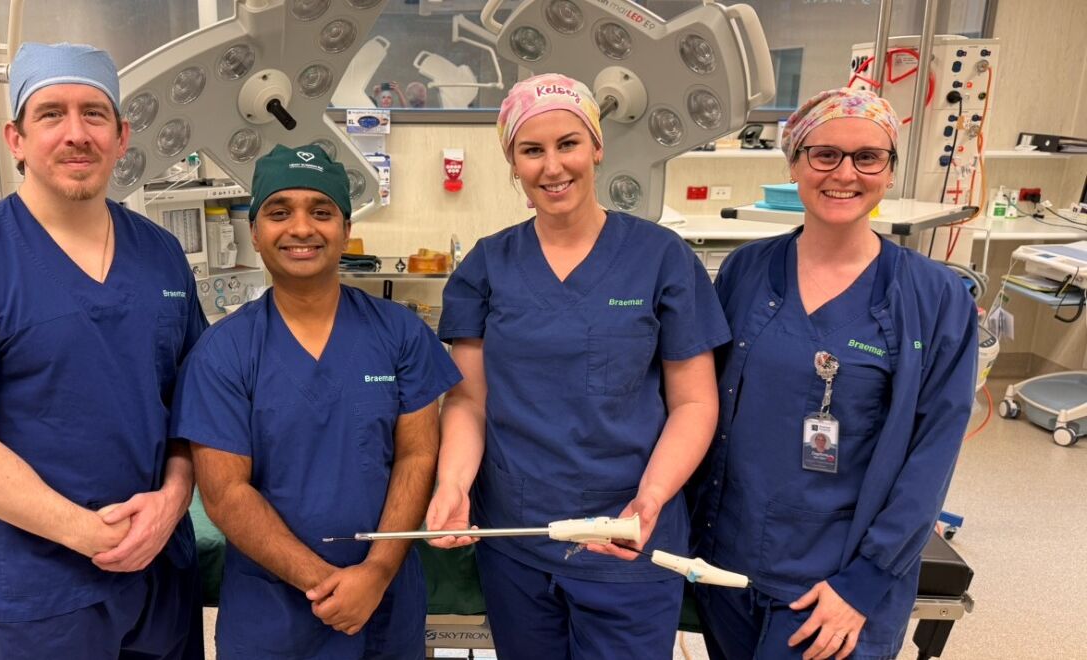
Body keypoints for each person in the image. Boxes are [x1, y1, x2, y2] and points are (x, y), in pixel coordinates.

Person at [0, 42, 206, 659]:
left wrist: (172, 500)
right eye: (51, 113)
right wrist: (88, 535)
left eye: (94, 113)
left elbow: (192, 403)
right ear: (16, 138)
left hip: (161, 567)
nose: (76, 134)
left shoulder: (161, 256)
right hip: (45, 584)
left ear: (121, 134)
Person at [425, 73, 730, 658]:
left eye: (567, 143)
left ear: (597, 146)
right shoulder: (488, 266)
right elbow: (468, 399)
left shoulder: (660, 258)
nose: (552, 166)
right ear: (513, 163)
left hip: (627, 533)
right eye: (531, 150)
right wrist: (454, 482)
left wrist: (652, 496)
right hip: (517, 535)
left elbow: (694, 401)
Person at [689, 87, 978, 660]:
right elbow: (700, 402)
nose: (844, 174)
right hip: (730, 564)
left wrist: (864, 584)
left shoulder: (935, 297)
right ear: (795, 162)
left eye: (867, 157)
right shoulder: (747, 271)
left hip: (839, 587)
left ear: (889, 172)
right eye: (824, 155)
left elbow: (933, 451)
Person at [171, 144, 461, 658]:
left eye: (321, 211)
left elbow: (418, 456)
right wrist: (326, 584)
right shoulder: (224, 352)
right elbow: (225, 493)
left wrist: (374, 573)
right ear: (256, 233)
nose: (302, 228)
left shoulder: (400, 334)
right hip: (274, 614)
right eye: (279, 212)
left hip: (385, 604)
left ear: (346, 231)